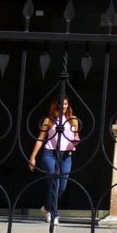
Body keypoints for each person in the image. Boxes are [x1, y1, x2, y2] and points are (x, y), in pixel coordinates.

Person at [29, 95, 83, 224]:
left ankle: (47, 207)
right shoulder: (49, 120)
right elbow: (41, 139)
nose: (63, 107)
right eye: (60, 104)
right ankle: (54, 213)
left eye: (65, 104)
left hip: (66, 154)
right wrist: (32, 157)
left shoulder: (72, 120)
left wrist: (76, 141)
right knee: (54, 183)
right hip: (50, 154)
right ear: (55, 105)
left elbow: (76, 137)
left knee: (62, 186)